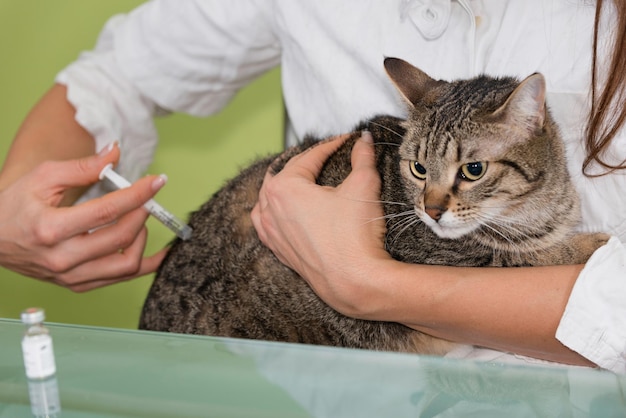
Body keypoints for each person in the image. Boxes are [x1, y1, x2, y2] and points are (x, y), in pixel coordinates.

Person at [1, 0, 624, 372]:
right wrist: (16, 202)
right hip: (320, 385)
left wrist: (372, 285)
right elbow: (117, 77)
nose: (432, 203)